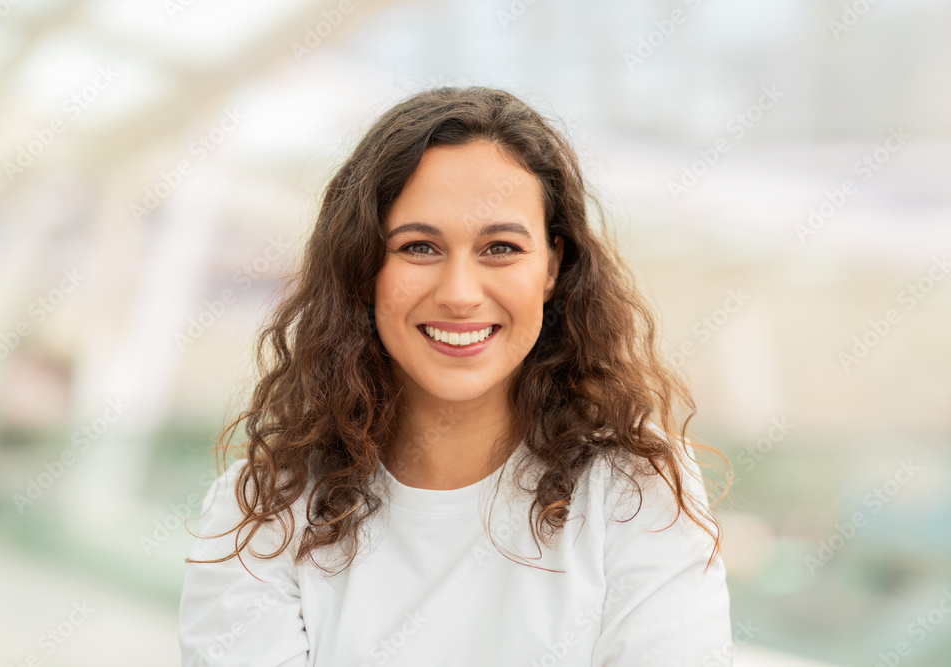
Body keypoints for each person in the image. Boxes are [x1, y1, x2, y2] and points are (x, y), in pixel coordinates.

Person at [178, 86, 733, 666]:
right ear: (364, 267)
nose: (460, 294)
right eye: (419, 247)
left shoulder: (637, 492)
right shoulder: (264, 511)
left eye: (500, 247)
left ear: (552, 266)